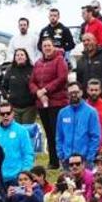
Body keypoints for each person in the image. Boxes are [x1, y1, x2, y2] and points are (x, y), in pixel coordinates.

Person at [31, 38, 69, 169]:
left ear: (53, 47)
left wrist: (45, 90)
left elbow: (62, 78)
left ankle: (63, 159)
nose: (47, 48)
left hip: (57, 102)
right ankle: (53, 161)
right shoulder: (38, 63)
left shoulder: (60, 60)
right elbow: (32, 81)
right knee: (48, 132)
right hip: (42, 103)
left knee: (57, 132)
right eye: (44, 46)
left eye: (49, 45)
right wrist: (38, 93)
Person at [0, 102, 33, 184]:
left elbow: (28, 153)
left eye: (8, 113)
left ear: (13, 113)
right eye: (2, 114)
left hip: (16, 177)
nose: (5, 116)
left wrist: (25, 173)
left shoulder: (21, 131)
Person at [55, 82, 100, 168]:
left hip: (84, 160)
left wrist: (89, 157)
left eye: (76, 92)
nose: (74, 95)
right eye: (71, 93)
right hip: (67, 160)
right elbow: (59, 136)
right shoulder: (62, 113)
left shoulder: (91, 112)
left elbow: (95, 137)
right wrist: (61, 155)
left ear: (81, 92)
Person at [75, 33, 102, 102]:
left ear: (95, 41)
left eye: (88, 40)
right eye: (84, 41)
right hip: (87, 101)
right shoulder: (81, 60)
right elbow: (79, 81)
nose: (86, 42)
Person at [1, 49, 36, 125]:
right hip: (14, 107)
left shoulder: (32, 69)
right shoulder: (10, 70)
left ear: (26, 57)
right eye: (17, 55)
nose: (20, 57)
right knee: (16, 130)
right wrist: (6, 96)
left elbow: (37, 85)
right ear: (14, 58)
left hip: (29, 107)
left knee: (26, 130)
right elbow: (3, 87)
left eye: (22, 55)